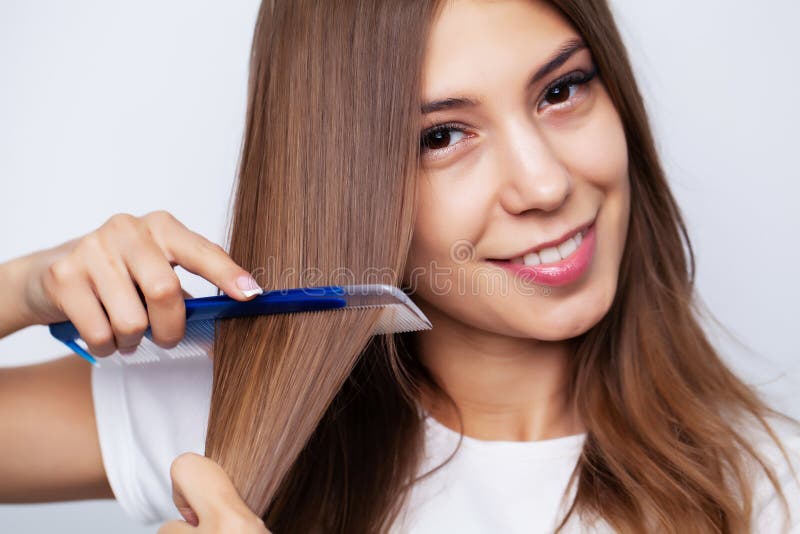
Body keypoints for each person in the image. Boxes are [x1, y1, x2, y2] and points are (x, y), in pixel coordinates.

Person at [1, 0, 798, 532]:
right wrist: (25, 285)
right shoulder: (241, 417)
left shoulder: (770, 488)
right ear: (347, 187)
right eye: (442, 136)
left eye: (562, 89)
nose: (547, 184)